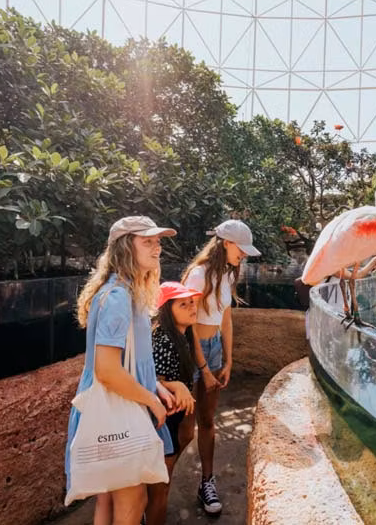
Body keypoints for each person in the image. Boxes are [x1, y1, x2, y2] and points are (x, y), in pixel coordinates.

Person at [65, 216, 178, 525]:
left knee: (108, 502)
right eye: (147, 242)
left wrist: (155, 385)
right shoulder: (118, 298)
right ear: (126, 248)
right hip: (120, 409)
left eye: (157, 242)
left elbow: (132, 361)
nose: (157, 249)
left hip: (114, 409)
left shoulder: (124, 291)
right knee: (133, 501)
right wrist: (152, 400)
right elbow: (107, 370)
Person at [181, 219, 261, 515]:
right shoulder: (198, 275)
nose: (244, 255)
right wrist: (202, 367)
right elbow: (186, 324)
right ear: (226, 243)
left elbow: (225, 320)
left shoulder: (227, 275)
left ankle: (207, 483)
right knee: (185, 429)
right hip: (191, 353)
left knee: (208, 420)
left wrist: (228, 361)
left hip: (213, 351)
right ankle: (155, 485)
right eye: (241, 249)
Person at [145, 281, 201, 525]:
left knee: (162, 484)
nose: (191, 307)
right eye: (183, 303)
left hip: (174, 418)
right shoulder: (164, 339)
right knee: (160, 492)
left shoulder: (182, 334)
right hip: (161, 422)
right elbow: (154, 382)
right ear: (167, 309)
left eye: (191, 302)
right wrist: (176, 387)